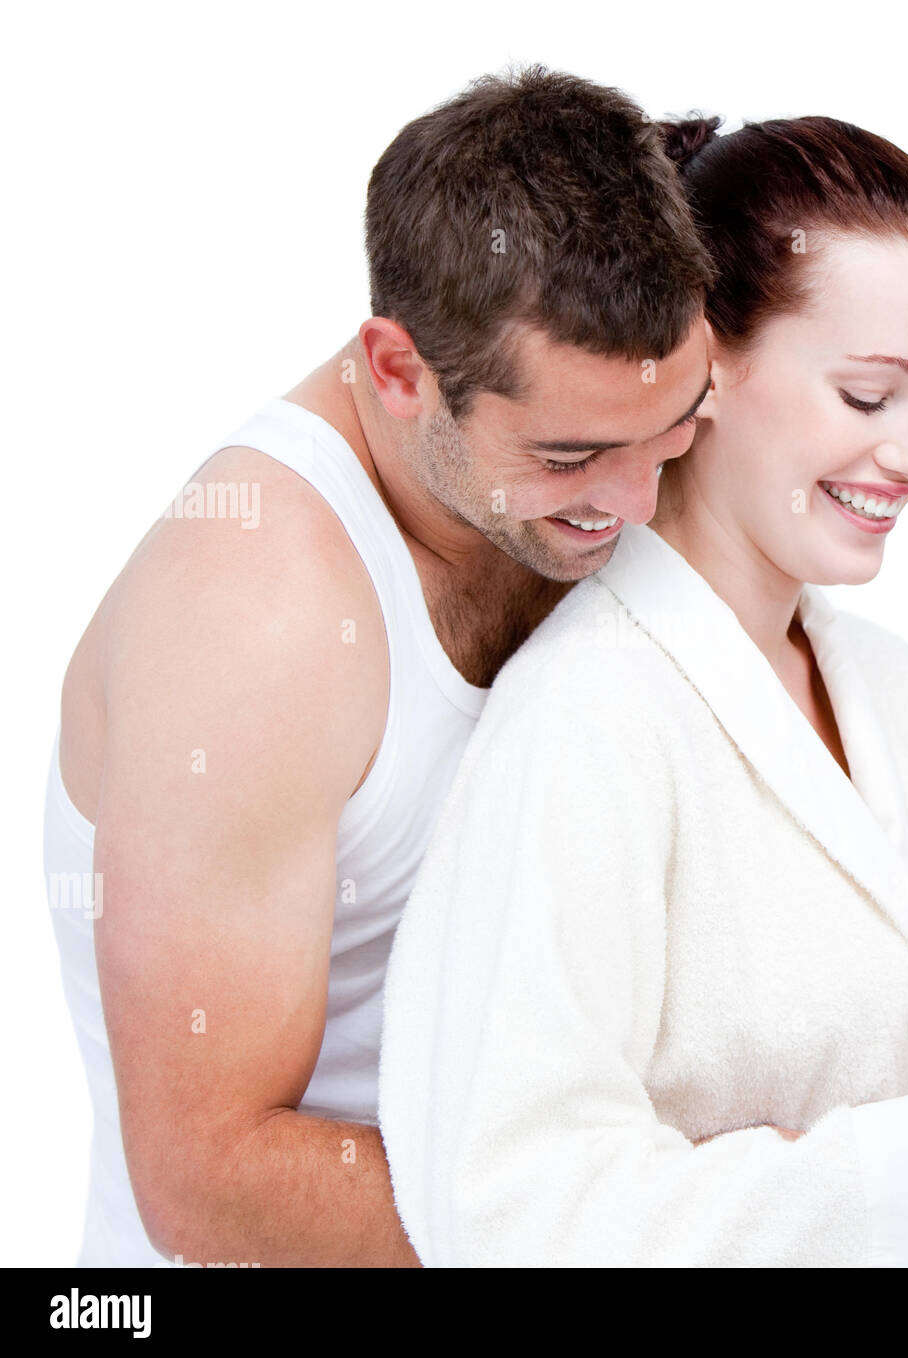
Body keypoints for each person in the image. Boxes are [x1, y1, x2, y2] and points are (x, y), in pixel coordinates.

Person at [377, 113, 908, 1267]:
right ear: (704, 367)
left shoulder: (887, 690)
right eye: (870, 397)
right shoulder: (585, 719)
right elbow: (513, 1210)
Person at [42, 65, 716, 1267]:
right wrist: (722, 1216)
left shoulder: (581, 440)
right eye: (571, 456)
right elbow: (211, 1181)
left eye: (672, 434)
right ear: (398, 371)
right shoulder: (257, 617)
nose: (635, 502)